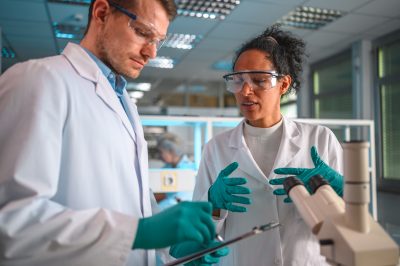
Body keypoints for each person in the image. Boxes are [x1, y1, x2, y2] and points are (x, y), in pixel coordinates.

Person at [0, 0, 227, 265]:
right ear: (102, 13)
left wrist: (175, 249)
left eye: (158, 41)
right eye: (142, 32)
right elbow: (11, 221)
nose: (151, 52)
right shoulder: (40, 79)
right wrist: (139, 233)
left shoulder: (124, 102)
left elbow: (132, 204)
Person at [177, 25, 344, 265]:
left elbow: (350, 221)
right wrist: (212, 203)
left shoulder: (320, 139)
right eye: (237, 80)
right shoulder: (217, 147)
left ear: (284, 85)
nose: (245, 91)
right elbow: (198, 234)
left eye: (259, 80)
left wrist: (341, 191)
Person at [155, 133, 195, 209]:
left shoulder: (187, 170)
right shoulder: (167, 167)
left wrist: (156, 208)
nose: (159, 155)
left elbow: (178, 199)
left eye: (161, 152)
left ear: (172, 152)